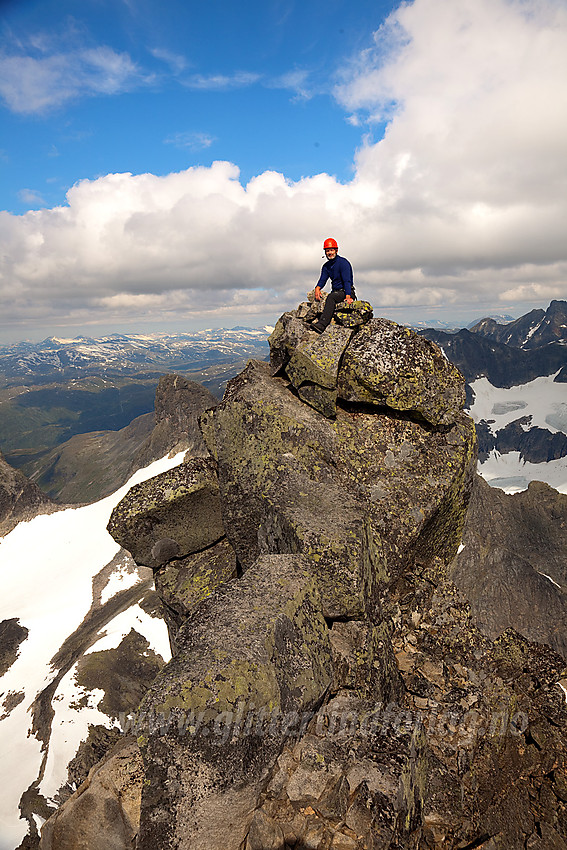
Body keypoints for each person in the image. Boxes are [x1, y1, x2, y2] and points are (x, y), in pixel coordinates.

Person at [311, 238, 355, 333]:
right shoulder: (326, 266)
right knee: (329, 296)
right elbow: (323, 279)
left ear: (336, 250)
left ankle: (322, 325)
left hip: (346, 291)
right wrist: (317, 288)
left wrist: (348, 296)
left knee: (331, 298)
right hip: (336, 292)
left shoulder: (343, 263)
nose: (329, 252)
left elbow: (347, 281)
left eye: (331, 250)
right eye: (327, 250)